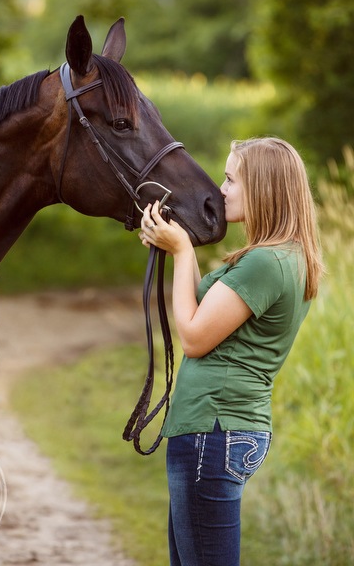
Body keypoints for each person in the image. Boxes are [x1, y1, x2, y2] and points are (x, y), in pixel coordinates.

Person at [138, 136, 323, 566]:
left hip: (213, 432)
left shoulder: (265, 263)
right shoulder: (284, 257)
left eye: (230, 179)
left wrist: (182, 251)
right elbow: (208, 316)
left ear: (262, 188)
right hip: (221, 429)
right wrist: (177, 248)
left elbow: (195, 335)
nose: (221, 190)